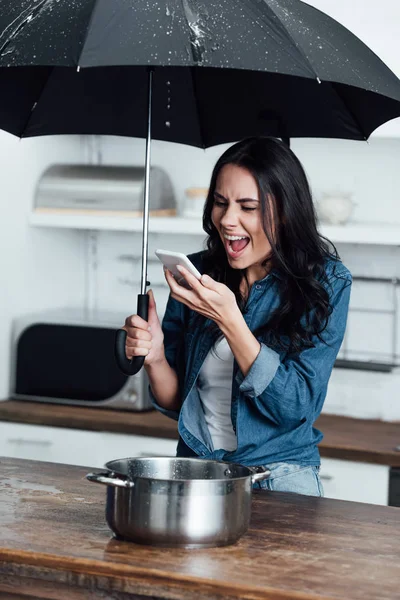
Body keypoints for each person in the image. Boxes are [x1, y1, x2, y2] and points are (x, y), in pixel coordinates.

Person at [122, 137, 352, 497]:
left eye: (248, 207)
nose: (227, 220)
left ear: (287, 211)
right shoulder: (198, 272)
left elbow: (295, 407)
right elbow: (176, 402)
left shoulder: (327, 283)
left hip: (279, 479)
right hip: (198, 473)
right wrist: (155, 357)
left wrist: (231, 320)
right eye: (220, 202)